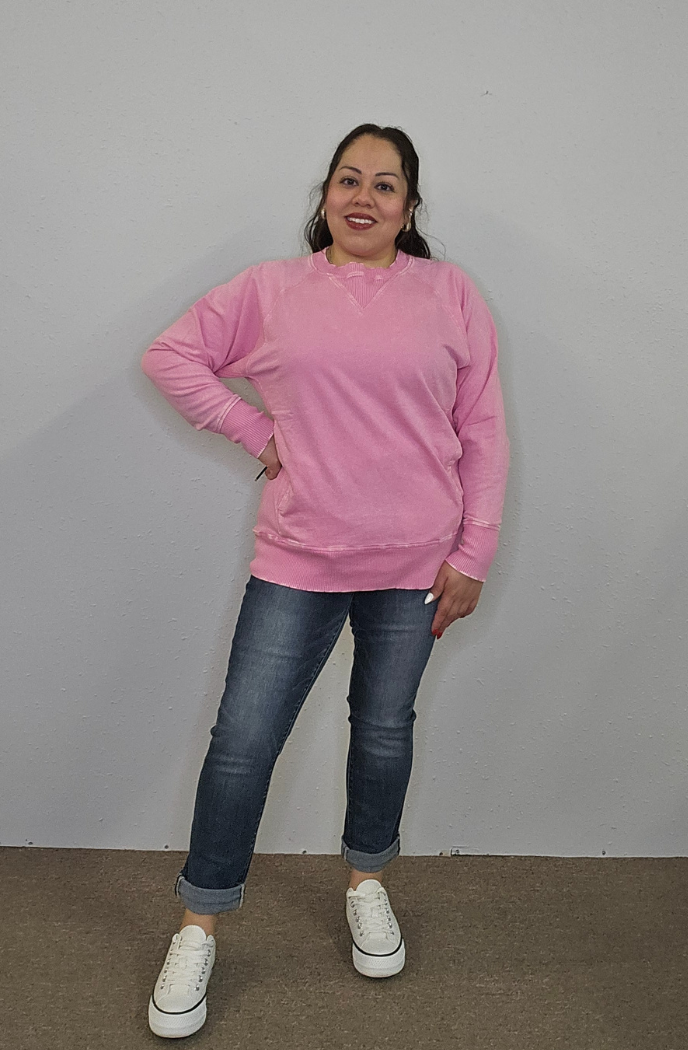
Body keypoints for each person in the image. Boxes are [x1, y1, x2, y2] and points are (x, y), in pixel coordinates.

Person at [140, 122, 510, 1038]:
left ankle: (367, 880)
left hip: (417, 565)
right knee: (243, 743)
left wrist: (474, 554)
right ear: (325, 196)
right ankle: (200, 920)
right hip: (300, 560)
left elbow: (485, 429)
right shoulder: (272, 291)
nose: (364, 197)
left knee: (382, 733)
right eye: (349, 179)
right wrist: (256, 433)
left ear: (410, 208)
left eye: (386, 186)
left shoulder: (450, 294)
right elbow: (171, 356)